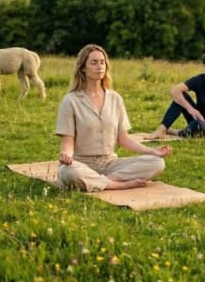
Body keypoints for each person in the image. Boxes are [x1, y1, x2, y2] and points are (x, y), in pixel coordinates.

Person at [56, 44, 172, 192]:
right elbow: (67, 142)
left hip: (110, 164)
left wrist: (152, 151)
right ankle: (119, 185)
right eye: (94, 62)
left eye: (102, 62)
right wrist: (66, 156)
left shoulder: (115, 98)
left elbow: (123, 139)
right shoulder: (70, 100)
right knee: (67, 172)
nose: (100, 66)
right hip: (82, 164)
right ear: (83, 68)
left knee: (157, 163)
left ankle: (103, 182)